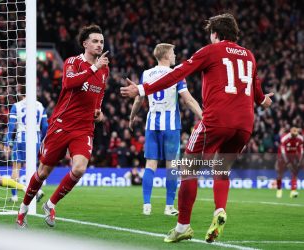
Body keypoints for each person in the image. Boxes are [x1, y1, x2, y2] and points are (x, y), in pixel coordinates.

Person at [121, 13, 273, 243]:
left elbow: (177, 73)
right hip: (244, 124)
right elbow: (258, 91)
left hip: (216, 120)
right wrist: (263, 101)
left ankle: (182, 227)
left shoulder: (210, 51)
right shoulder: (249, 56)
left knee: (187, 169)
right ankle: (219, 210)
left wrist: (142, 90)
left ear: (214, 34)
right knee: (221, 170)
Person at [16, 24, 109, 228]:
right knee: (43, 173)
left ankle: (51, 204)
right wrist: (94, 67)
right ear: (85, 44)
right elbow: (69, 83)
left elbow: (99, 94)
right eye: (95, 41)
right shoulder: (73, 62)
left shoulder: (104, 70)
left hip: (84, 128)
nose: (99, 44)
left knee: (79, 168)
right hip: (61, 124)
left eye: (101, 41)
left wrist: (99, 111)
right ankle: (22, 210)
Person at [129, 43, 202, 216]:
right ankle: (169, 207)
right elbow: (188, 100)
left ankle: (147, 205)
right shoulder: (176, 74)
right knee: (171, 167)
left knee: (150, 165)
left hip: (152, 125)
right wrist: (203, 116)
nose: (175, 55)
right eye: (174, 53)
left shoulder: (146, 74)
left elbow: (139, 100)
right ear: (167, 55)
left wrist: (132, 116)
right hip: (171, 126)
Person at [4, 88, 48, 202]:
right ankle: (37, 191)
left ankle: (14, 196)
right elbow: (45, 126)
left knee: (16, 168)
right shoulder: (40, 105)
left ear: (21, 94)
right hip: (35, 139)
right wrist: (43, 139)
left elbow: (12, 125)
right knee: (34, 168)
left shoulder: (17, 106)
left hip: (20, 138)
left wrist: (8, 140)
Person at [275, 127, 303, 198]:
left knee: (294, 173)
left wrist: (299, 160)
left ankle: (293, 191)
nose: (295, 137)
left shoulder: (300, 139)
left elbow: (301, 150)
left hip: (293, 157)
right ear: (290, 133)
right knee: (280, 174)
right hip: (282, 157)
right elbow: (283, 151)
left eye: (296, 135)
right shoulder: (284, 138)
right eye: (293, 135)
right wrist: (287, 162)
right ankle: (279, 189)